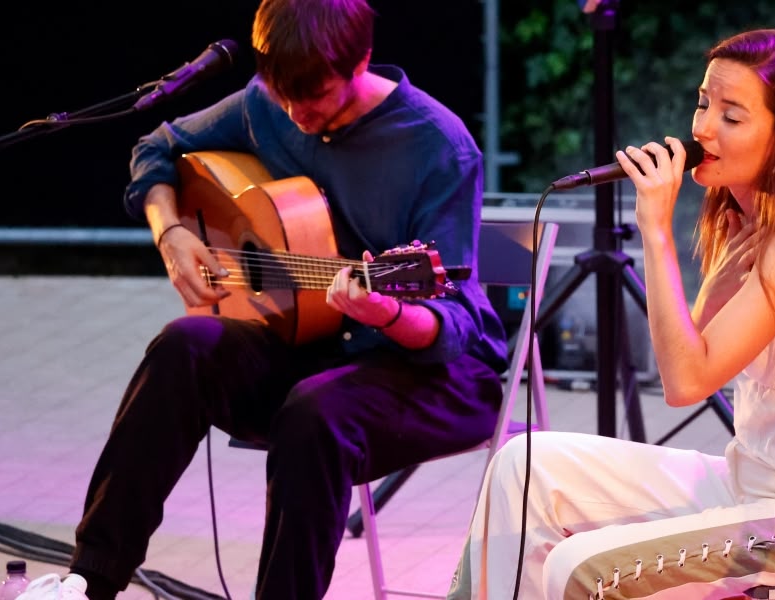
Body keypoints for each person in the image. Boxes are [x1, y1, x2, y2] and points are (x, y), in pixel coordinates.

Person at [50, 1, 508, 599]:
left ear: (360, 60)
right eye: (281, 93)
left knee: (314, 415)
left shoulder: (437, 146)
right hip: (313, 343)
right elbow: (156, 147)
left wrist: (387, 310)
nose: (296, 113)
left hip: (434, 373)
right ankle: (88, 583)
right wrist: (173, 232)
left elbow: (451, 325)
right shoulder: (269, 104)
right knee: (182, 346)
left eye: (314, 94)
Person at [447, 28, 775, 599]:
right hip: (754, 481)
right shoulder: (748, 221)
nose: (702, 128)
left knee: (581, 567)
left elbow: (685, 381)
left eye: (732, 117)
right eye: (702, 102)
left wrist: (656, 231)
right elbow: (690, 347)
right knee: (523, 466)